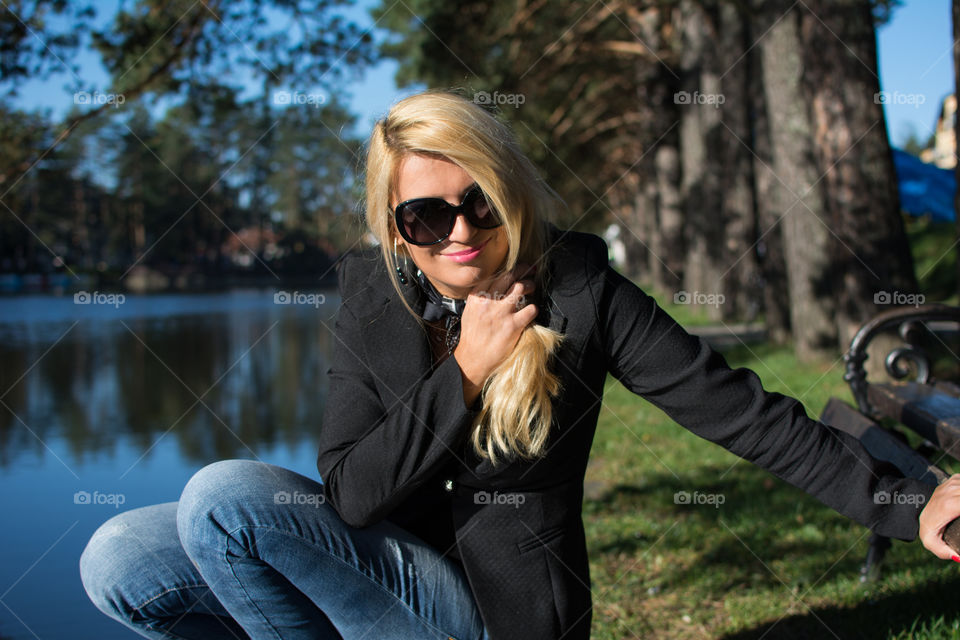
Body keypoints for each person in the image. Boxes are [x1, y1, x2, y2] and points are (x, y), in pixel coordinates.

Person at [80, 89, 960, 640]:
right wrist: (463, 370)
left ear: (509, 193)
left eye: (480, 204)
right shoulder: (367, 297)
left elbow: (741, 413)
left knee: (225, 499)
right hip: (378, 573)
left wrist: (910, 497)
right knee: (120, 558)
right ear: (396, 230)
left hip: (496, 615)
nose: (460, 233)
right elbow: (349, 492)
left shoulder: (579, 290)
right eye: (427, 218)